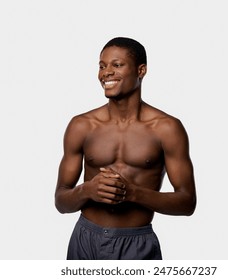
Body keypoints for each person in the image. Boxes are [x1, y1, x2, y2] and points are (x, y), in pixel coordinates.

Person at [55, 37, 196, 260]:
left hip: (136, 244)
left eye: (117, 65)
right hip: (85, 240)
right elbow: (61, 201)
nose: (106, 73)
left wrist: (133, 193)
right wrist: (87, 190)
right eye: (102, 66)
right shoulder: (81, 125)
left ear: (141, 70)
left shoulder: (167, 128)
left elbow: (187, 203)